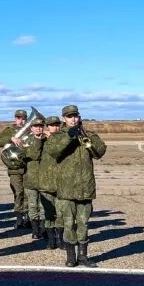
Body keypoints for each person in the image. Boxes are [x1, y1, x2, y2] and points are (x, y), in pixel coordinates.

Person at [44, 105, 107, 268]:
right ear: (64, 118)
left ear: (79, 117)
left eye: (75, 116)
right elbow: (53, 151)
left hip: (85, 187)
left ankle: (83, 256)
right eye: (69, 116)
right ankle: (71, 256)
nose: (73, 119)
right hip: (66, 189)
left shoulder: (88, 134)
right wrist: (69, 136)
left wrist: (86, 137)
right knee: (68, 223)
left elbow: (100, 152)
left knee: (83, 223)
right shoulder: (58, 136)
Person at [0, 109, 30, 229]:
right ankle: (19, 217)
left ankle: (28, 217)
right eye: (18, 118)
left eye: (23, 118)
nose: (21, 120)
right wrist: (11, 138)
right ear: (15, 119)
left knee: (28, 193)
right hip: (15, 168)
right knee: (18, 192)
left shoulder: (30, 130)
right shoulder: (9, 130)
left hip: (29, 166)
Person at [35, 116, 63, 250]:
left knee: (61, 214)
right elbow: (33, 155)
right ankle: (51, 240)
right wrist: (38, 139)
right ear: (47, 127)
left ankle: (61, 239)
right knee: (48, 214)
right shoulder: (42, 140)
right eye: (52, 125)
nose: (55, 128)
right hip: (45, 183)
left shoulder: (63, 139)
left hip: (60, 183)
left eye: (57, 125)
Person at [21, 118, 47, 241]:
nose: (38, 128)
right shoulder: (26, 141)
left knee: (43, 206)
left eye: (40, 126)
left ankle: (43, 229)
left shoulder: (47, 140)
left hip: (44, 178)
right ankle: (35, 230)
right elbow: (33, 155)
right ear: (31, 128)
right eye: (35, 126)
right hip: (30, 178)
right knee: (32, 205)